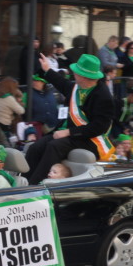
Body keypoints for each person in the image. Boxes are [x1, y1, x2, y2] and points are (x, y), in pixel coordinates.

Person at [24, 53, 114, 184]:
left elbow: (100, 127)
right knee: (35, 148)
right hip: (70, 133)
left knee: (54, 146)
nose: (73, 74)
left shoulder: (103, 96)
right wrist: (47, 69)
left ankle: (35, 187)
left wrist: (68, 132)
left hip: (89, 139)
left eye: (76, 72)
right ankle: (24, 183)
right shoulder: (78, 86)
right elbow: (62, 83)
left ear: (83, 76)